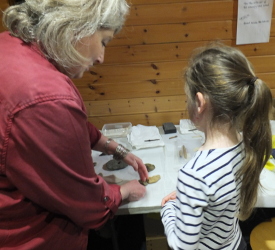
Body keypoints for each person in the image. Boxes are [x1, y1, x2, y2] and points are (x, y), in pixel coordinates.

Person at [0, 0, 149, 249]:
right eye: (103, 41)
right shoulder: (49, 96)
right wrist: (123, 191)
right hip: (32, 238)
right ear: (78, 24)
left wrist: (113, 147)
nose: (101, 57)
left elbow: (68, 127)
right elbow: (90, 207)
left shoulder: (9, 43)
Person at [161, 43, 272, 250]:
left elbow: (182, 246)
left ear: (199, 102)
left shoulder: (194, 174)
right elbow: (220, 201)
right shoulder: (245, 145)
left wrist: (168, 209)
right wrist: (190, 200)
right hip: (235, 243)